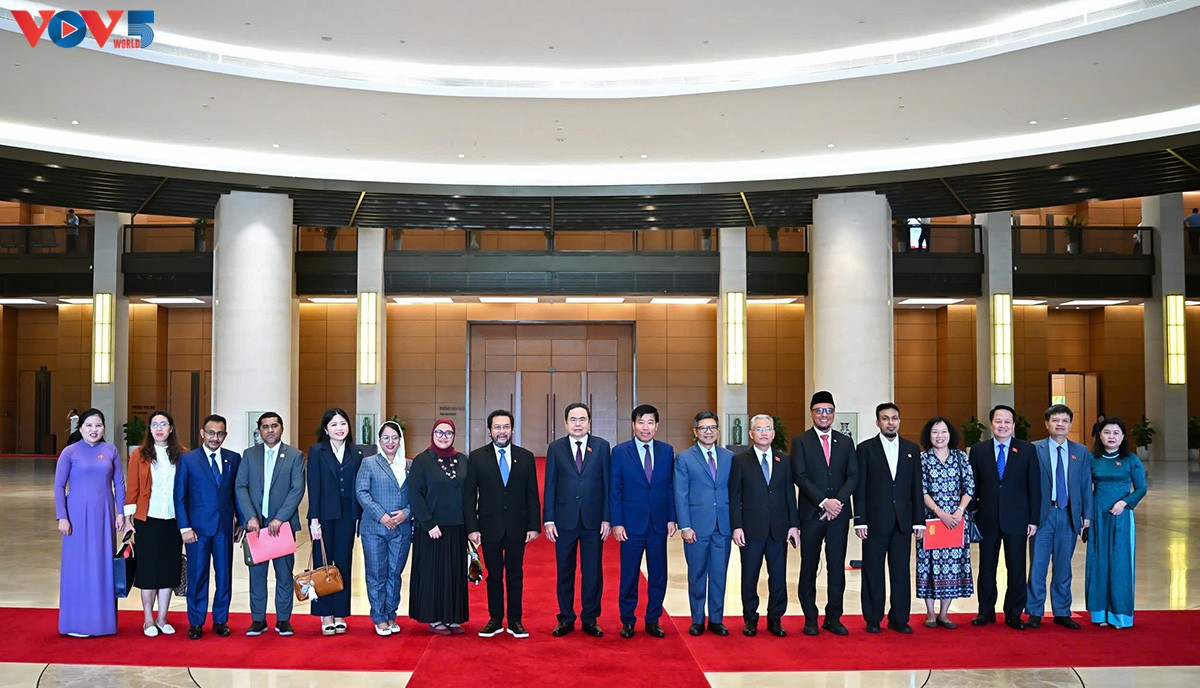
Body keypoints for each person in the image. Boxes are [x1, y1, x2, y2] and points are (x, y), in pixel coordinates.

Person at [464, 410, 541, 639]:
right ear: (489, 430)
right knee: (494, 575)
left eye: (506, 427)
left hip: (518, 527)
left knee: (516, 574)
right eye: (497, 427)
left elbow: (532, 494)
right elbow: (469, 496)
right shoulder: (477, 457)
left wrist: (534, 525)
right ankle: (495, 620)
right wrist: (472, 528)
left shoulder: (525, 457)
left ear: (512, 429)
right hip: (489, 527)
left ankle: (515, 621)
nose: (502, 431)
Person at [790, 390, 858, 636]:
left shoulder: (845, 442)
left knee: (836, 567)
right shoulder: (800, 441)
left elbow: (853, 476)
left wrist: (836, 502)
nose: (824, 415)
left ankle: (833, 617)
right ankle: (810, 618)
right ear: (812, 413)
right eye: (819, 410)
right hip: (811, 514)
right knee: (809, 566)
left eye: (828, 410)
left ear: (834, 413)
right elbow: (800, 476)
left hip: (838, 515)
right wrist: (823, 502)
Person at [853, 403, 924, 634]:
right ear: (877, 422)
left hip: (903, 522)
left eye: (894, 418)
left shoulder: (912, 449)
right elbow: (860, 487)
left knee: (901, 572)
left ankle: (899, 619)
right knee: (873, 571)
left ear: (899, 421)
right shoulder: (865, 449)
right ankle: (873, 619)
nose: (890, 422)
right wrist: (860, 519)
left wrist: (919, 521)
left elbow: (916, 488)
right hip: (874, 522)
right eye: (885, 418)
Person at [55, 408, 126, 637]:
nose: (94, 430)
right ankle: (75, 622)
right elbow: (59, 485)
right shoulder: (70, 452)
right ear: (81, 427)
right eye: (89, 425)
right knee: (77, 566)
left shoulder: (110, 450)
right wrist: (62, 516)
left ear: (104, 427)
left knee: (102, 564)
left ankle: (101, 622)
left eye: (98, 425)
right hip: (75, 516)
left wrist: (121, 513)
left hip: (104, 514)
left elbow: (119, 483)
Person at [968, 404, 1040, 630]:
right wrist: (970, 515)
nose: (1002, 425)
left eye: (1007, 421)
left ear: (1013, 425)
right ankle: (985, 612)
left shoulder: (1027, 450)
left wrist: (1033, 519)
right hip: (987, 518)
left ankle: (1014, 613)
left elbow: (1034, 487)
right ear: (991, 424)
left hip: (1017, 519)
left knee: (1016, 568)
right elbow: (972, 486)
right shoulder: (978, 450)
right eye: (998, 421)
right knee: (986, 568)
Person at [234, 412, 304, 637]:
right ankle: (258, 620)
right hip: (256, 526)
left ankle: (283, 620)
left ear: (281, 428)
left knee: (284, 575)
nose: (270, 430)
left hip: (282, 526)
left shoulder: (295, 456)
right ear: (259, 431)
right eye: (265, 427)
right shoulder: (249, 455)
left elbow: (297, 489)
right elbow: (241, 486)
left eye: (274, 426)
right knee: (257, 575)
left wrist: (280, 518)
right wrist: (250, 516)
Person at [544, 402, 611, 638]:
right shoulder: (556, 448)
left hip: (594, 521)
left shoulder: (602, 447)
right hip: (564, 520)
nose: (578, 424)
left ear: (589, 422)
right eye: (573, 419)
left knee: (592, 572)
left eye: (582, 419)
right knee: (565, 570)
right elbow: (550, 484)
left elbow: (607, 484)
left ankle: (590, 618)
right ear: (565, 423)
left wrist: (607, 518)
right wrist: (548, 520)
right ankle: (565, 617)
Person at [610, 404, 677, 639]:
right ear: (633, 425)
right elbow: (615, 489)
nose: (645, 427)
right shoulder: (620, 452)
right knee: (629, 575)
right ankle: (628, 620)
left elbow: (670, 487)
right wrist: (617, 522)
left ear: (656, 426)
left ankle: (653, 619)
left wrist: (672, 517)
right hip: (630, 525)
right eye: (641, 422)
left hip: (658, 523)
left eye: (650, 422)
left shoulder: (666, 451)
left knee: (658, 574)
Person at [729, 414, 799, 638]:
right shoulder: (740, 461)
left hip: (778, 529)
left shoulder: (784, 461)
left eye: (768, 429)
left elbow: (790, 494)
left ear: (773, 433)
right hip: (751, 530)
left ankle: (775, 618)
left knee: (778, 576)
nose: (764, 433)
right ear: (751, 434)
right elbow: (735, 497)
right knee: (749, 576)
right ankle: (750, 618)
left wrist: (793, 525)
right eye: (759, 429)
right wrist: (737, 526)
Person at [1025, 404, 1092, 630]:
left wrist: (1087, 516)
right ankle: (1034, 612)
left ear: (1070, 424)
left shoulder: (1080, 452)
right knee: (1038, 566)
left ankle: (1062, 612)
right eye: (1055, 420)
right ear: (1047, 424)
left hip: (1068, 514)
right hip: (1042, 515)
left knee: (1063, 567)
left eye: (1064, 420)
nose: (1060, 424)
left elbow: (1085, 486)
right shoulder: (1034, 449)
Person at [174, 413, 240, 640]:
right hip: (197, 530)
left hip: (224, 528)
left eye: (220, 433)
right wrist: (184, 527)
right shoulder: (188, 459)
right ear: (202, 433)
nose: (215, 438)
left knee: (224, 576)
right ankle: (196, 622)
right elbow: (179, 496)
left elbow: (236, 493)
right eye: (211, 433)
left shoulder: (233, 459)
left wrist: (240, 521)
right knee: (197, 576)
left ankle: (221, 620)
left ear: (225, 435)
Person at [124, 410, 185, 637]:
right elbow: (132, 488)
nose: (159, 429)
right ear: (149, 429)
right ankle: (148, 619)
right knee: (148, 570)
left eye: (163, 424)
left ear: (171, 428)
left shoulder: (183, 455)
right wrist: (128, 519)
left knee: (169, 568)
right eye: (155, 425)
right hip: (147, 519)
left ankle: (162, 618)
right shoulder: (138, 454)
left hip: (173, 519)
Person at [673, 411, 734, 636]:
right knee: (697, 574)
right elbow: (680, 493)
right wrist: (685, 526)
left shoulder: (729, 457)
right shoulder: (684, 458)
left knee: (719, 574)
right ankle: (697, 619)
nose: (708, 432)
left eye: (712, 427)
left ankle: (716, 619)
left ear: (718, 430)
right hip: (696, 527)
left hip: (723, 526)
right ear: (695, 431)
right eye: (703, 428)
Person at [408, 418, 469, 635]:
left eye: (448, 433)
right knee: (433, 574)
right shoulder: (422, 461)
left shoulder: (462, 460)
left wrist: (472, 526)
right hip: (432, 529)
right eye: (439, 432)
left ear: (454, 436)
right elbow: (414, 494)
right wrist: (428, 523)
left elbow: (470, 494)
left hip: (457, 527)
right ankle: (434, 618)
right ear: (433, 434)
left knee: (454, 573)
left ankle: (452, 617)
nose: (444, 437)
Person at [307, 407, 364, 636]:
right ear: (326, 429)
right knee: (322, 564)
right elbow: (313, 487)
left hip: (347, 516)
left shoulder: (356, 453)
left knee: (343, 563)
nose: (339, 428)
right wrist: (314, 520)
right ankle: (325, 614)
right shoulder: (317, 451)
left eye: (343, 423)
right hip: (323, 515)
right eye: (334, 424)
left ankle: (340, 613)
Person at [1086, 417, 1147, 629]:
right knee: (1098, 562)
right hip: (1098, 516)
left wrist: (1124, 503)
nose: (1111, 436)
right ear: (1099, 435)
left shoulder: (1131, 460)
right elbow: (1084, 488)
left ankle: (1119, 615)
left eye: (1116, 433)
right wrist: (1085, 516)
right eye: (1106, 432)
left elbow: (1141, 488)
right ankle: (1099, 613)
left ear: (1122, 437)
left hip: (1121, 517)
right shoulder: (1092, 459)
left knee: (1120, 562)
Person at [915, 416, 974, 629]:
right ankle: (930, 613)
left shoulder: (960, 457)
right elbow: (920, 490)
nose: (939, 436)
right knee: (928, 566)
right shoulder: (922, 459)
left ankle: (944, 613)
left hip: (956, 521)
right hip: (931, 521)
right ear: (928, 435)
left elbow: (969, 487)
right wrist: (940, 513)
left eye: (943, 431)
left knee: (952, 567)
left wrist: (958, 511)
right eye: (935, 432)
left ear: (950, 434)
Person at [355, 420, 413, 636]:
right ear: (379, 441)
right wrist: (381, 516)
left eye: (395, 438)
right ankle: (379, 616)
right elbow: (361, 492)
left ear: (400, 440)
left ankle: (391, 614)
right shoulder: (369, 463)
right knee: (376, 573)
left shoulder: (409, 465)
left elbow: (418, 494)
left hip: (401, 529)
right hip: (374, 529)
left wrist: (406, 512)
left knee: (394, 573)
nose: (390, 442)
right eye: (386, 438)